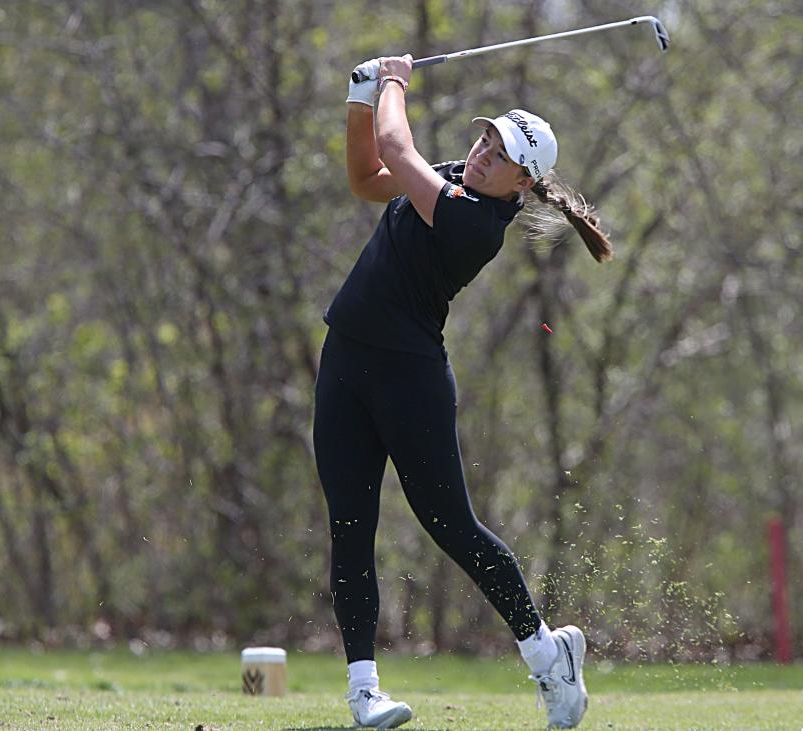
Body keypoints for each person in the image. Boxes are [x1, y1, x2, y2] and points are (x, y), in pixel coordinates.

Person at [313, 54, 611, 730]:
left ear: (521, 181)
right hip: (345, 361)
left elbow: (396, 144)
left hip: (408, 378)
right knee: (350, 528)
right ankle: (364, 694)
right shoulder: (451, 179)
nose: (480, 152)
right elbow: (367, 175)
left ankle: (545, 653)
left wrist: (391, 81)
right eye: (485, 138)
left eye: (498, 152)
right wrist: (361, 101)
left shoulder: (474, 222)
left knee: (451, 526)